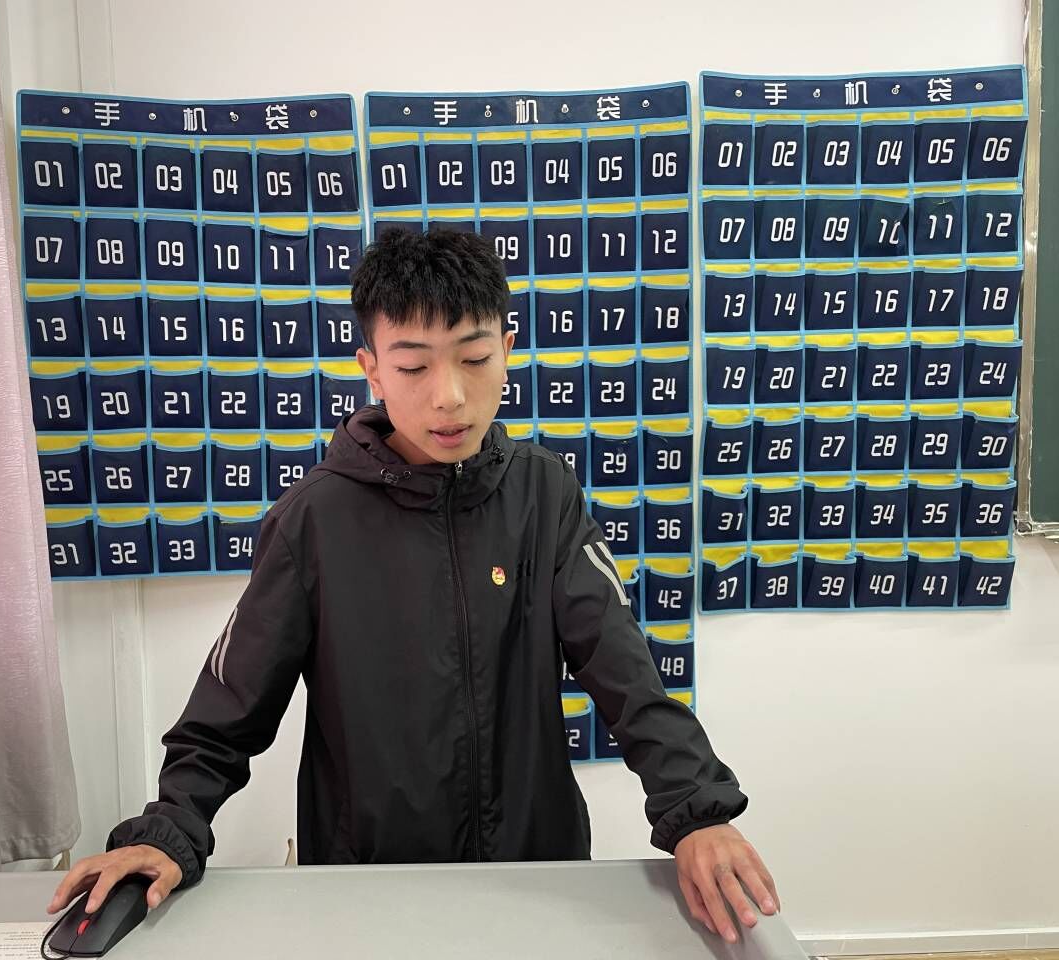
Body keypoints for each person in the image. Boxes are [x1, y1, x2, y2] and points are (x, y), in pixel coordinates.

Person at [48, 229, 779, 943]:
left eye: (474, 359)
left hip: (536, 876)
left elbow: (624, 670)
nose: (449, 397)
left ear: (508, 350)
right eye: (413, 367)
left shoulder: (544, 495)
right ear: (371, 369)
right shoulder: (314, 520)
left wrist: (697, 811)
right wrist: (168, 830)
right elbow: (227, 709)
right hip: (368, 891)